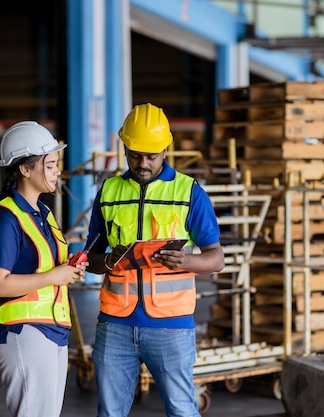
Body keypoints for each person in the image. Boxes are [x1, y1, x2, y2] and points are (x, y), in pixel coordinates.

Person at [85, 103, 225, 417]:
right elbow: (89, 257)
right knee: (110, 413)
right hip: (115, 325)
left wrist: (186, 261)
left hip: (170, 327)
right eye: (135, 154)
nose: (143, 163)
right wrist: (106, 261)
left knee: (181, 411)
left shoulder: (189, 192)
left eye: (151, 155)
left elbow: (216, 259)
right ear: (125, 147)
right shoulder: (108, 192)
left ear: (165, 149)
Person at [0, 121, 88, 417]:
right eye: (50, 165)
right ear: (25, 169)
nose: (57, 172)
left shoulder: (43, 214)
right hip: (23, 333)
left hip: (51, 331)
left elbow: (46, 270)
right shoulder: (6, 219)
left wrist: (69, 271)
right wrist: (55, 275)